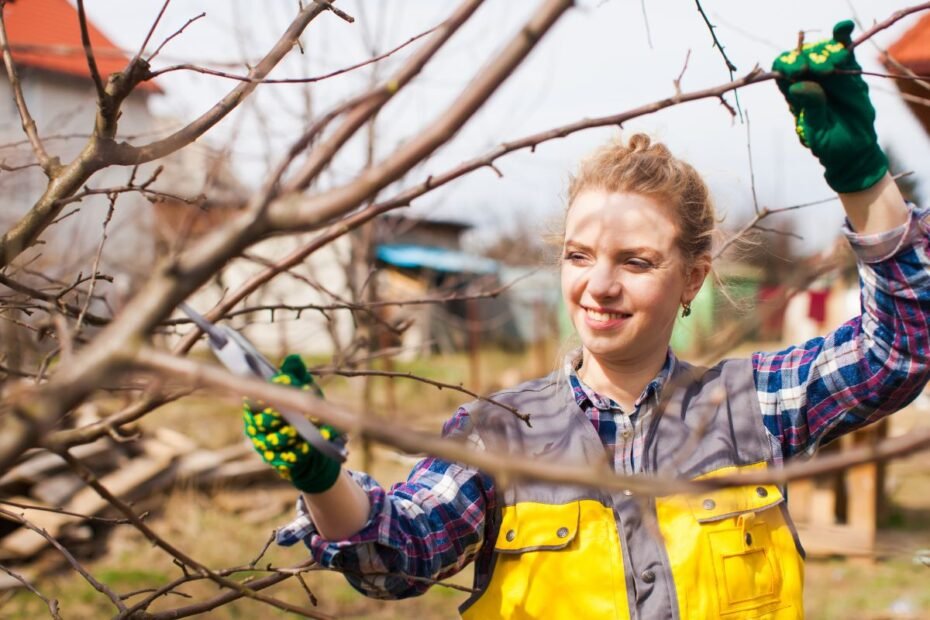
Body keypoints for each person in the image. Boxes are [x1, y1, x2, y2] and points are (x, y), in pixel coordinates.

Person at [243, 21, 930, 619]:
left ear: (692, 277)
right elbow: (399, 554)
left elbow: (898, 353)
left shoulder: (751, 407)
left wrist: (865, 181)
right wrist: (321, 478)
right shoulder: (499, 435)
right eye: (579, 255)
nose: (598, 286)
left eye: (635, 261)